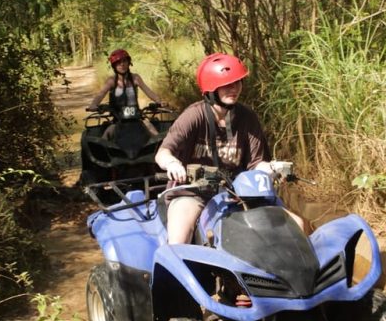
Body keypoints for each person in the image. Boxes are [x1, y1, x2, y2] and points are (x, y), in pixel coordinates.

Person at [155, 52, 305, 244]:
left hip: (240, 192)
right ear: (211, 89)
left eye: (237, 82)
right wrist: (173, 164)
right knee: (178, 240)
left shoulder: (247, 117)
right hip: (194, 193)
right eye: (226, 85)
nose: (233, 88)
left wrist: (274, 169)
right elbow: (163, 153)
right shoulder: (194, 115)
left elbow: (257, 163)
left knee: (297, 225)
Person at [87, 48, 165, 139]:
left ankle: (162, 150)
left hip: (137, 118)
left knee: (153, 132)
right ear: (114, 66)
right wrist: (94, 104)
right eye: (118, 62)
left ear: (129, 63)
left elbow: (149, 91)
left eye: (124, 61)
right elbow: (100, 95)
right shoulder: (111, 81)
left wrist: (159, 101)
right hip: (117, 120)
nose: (122, 64)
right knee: (106, 136)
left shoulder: (136, 78)